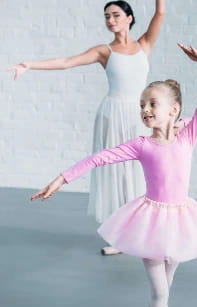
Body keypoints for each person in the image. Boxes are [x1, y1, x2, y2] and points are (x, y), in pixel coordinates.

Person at [31, 44, 197, 307]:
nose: (145, 109)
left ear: (173, 110)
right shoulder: (141, 145)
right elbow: (99, 158)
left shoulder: (187, 137)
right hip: (151, 223)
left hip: (181, 221)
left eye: (153, 103)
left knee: (163, 293)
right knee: (160, 292)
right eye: (142, 105)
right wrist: (61, 178)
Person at [9, 0, 166, 255]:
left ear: (129, 17)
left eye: (116, 15)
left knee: (140, 171)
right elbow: (66, 62)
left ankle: (144, 231)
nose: (111, 20)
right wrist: (28, 65)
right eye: (107, 16)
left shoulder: (144, 44)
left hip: (139, 115)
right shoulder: (104, 51)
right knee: (117, 173)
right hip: (112, 115)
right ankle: (121, 237)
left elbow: (160, 12)